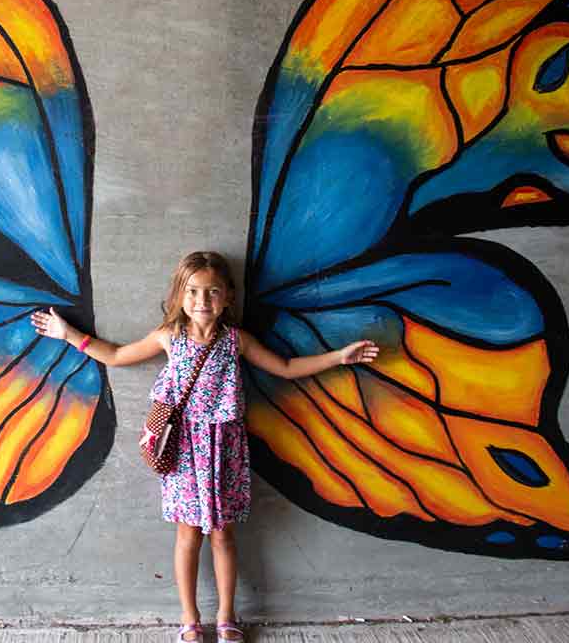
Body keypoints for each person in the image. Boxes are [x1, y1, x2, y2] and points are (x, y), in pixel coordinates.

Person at [31, 251, 378, 642]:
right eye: (193, 291)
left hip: (223, 450)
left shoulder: (237, 341)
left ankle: (228, 617)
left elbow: (284, 368)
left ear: (228, 296)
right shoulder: (169, 337)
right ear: (180, 294)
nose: (202, 300)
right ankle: (189, 620)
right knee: (187, 536)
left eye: (212, 291)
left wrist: (339, 357)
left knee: (223, 536)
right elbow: (115, 355)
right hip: (181, 452)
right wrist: (69, 335)